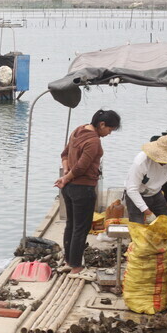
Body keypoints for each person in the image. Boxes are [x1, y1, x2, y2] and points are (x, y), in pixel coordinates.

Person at [54, 109, 121, 274]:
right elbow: (81, 167)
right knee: (81, 228)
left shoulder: (78, 130)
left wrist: (65, 173)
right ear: (102, 124)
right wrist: (67, 177)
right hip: (83, 188)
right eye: (110, 129)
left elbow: (64, 155)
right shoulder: (93, 141)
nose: (109, 133)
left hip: (69, 189)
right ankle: (76, 265)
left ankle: (69, 260)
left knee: (71, 224)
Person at [125, 134, 167, 232]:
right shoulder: (141, 161)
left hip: (156, 194)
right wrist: (147, 212)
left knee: (165, 226)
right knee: (138, 230)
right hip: (137, 194)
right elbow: (131, 189)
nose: (165, 161)